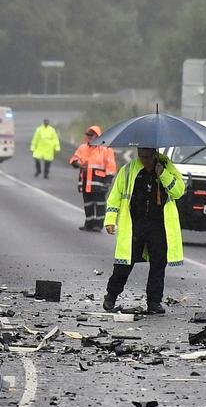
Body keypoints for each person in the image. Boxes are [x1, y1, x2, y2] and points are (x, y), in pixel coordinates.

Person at [103, 147, 185, 314]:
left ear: (155, 155)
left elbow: (178, 192)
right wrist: (110, 220)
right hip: (135, 225)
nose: (144, 160)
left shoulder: (167, 168)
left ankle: (154, 302)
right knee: (124, 264)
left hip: (158, 225)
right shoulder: (128, 170)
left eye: (148, 157)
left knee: (158, 264)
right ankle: (111, 296)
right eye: (141, 156)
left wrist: (163, 174)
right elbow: (115, 196)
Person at [68, 125, 117, 231]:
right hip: (86, 182)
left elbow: (111, 165)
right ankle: (89, 223)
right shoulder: (83, 148)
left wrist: (108, 180)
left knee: (99, 203)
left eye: (92, 135)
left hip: (99, 182)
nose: (89, 137)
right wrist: (78, 164)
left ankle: (98, 225)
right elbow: (74, 159)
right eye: (88, 135)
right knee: (88, 203)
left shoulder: (106, 149)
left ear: (98, 136)